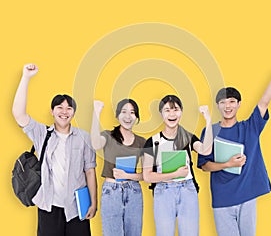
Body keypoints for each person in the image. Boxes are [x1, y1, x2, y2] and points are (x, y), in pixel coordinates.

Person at [197, 51, 271, 236]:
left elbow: (265, 101)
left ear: (239, 104)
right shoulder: (210, 131)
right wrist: (227, 164)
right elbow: (205, 166)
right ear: (218, 106)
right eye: (223, 102)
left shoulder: (250, 127)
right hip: (222, 199)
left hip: (247, 196)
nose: (227, 106)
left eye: (232, 101)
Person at [12, 64, 97, 236]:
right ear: (52, 111)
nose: (64, 112)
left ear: (73, 113)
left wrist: (93, 203)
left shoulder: (84, 138)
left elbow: (90, 171)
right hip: (49, 206)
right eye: (60, 107)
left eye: (69, 108)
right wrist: (26, 78)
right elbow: (18, 113)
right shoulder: (42, 133)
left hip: (76, 208)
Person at [143, 94, 213, 236]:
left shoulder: (188, 137)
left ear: (181, 112)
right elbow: (147, 176)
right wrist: (175, 174)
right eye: (167, 110)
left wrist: (208, 120)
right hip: (163, 192)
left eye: (175, 109)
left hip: (187, 190)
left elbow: (206, 150)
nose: (172, 114)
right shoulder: (152, 142)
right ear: (161, 114)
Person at [90, 98, 146, 236]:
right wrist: (96, 112)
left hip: (134, 192)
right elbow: (95, 144)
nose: (128, 116)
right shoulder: (108, 136)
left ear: (136, 117)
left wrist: (127, 176)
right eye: (124, 112)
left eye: (132, 112)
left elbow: (146, 174)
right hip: (111, 192)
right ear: (117, 115)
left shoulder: (142, 142)